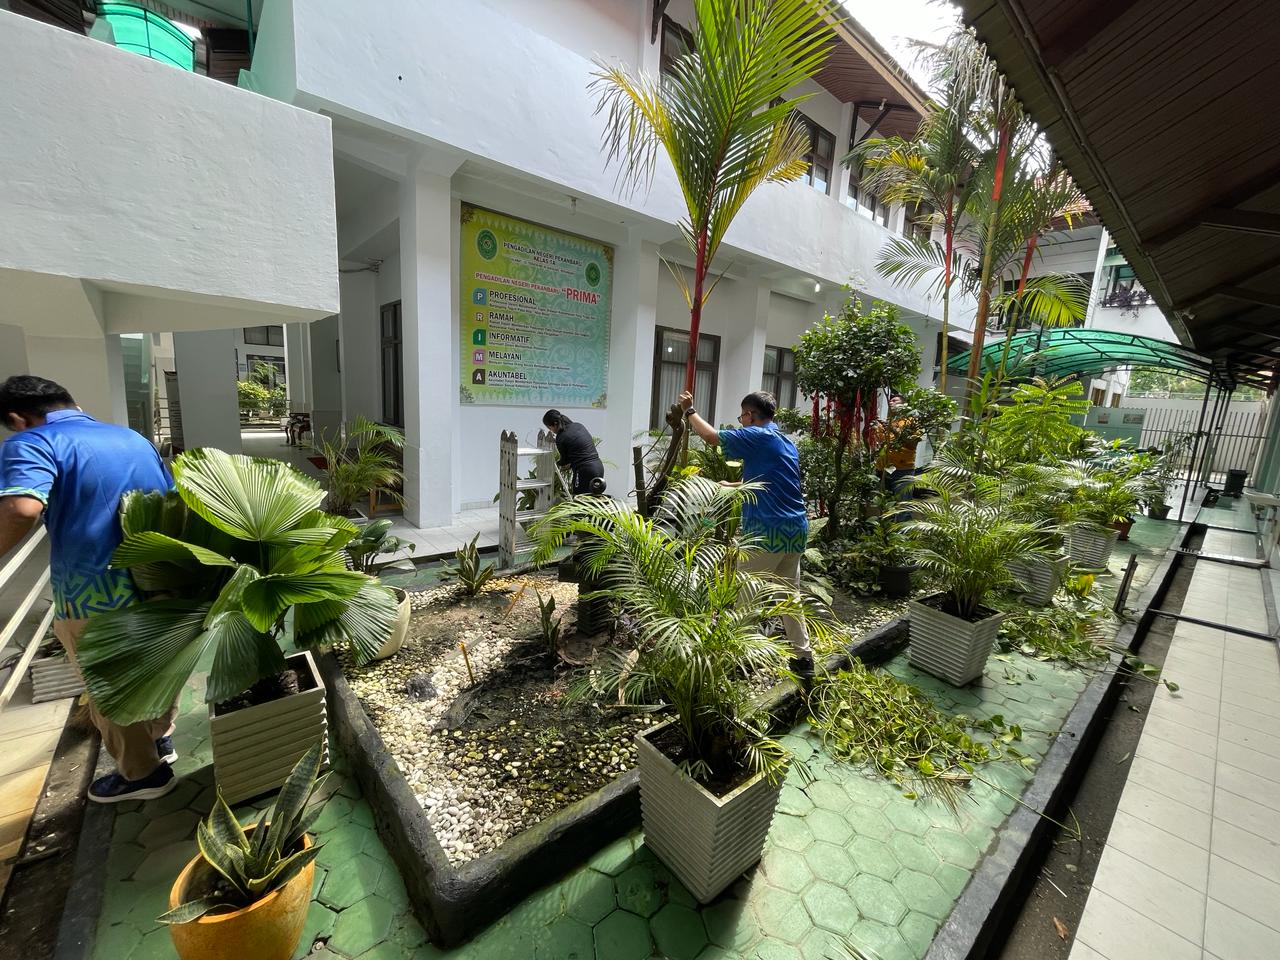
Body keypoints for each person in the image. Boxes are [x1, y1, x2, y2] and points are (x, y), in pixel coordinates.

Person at [0, 376, 177, 803]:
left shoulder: (33, 442)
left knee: (110, 684)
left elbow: (21, 508)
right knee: (158, 665)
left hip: (94, 590)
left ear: (17, 418)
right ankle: (160, 737)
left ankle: (143, 775)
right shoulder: (133, 438)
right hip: (158, 576)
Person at [678, 389, 815, 683]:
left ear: (751, 415)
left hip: (766, 532)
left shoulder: (758, 435)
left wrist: (689, 411)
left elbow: (712, 437)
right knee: (789, 596)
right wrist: (733, 485)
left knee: (743, 597)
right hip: (794, 530)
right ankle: (804, 659)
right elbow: (771, 480)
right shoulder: (784, 441)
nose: (741, 421)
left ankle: (735, 660)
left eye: (742, 416)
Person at [542, 409, 605, 496]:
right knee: (594, 499)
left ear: (555, 424)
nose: (551, 431)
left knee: (579, 499)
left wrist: (556, 464)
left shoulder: (561, 436)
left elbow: (565, 461)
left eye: (550, 428)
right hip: (598, 467)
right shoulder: (579, 425)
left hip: (584, 471)